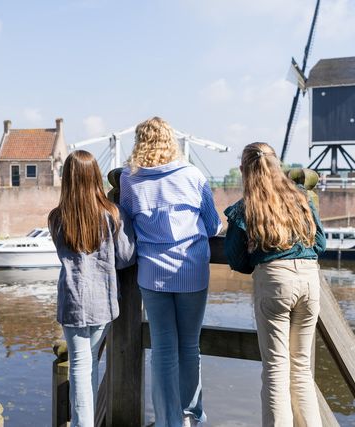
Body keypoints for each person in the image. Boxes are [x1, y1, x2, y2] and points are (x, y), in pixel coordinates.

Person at [119, 117, 221, 427]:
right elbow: (214, 224)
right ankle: (190, 414)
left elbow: (126, 222)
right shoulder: (192, 175)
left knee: (163, 348)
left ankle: (167, 421)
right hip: (192, 271)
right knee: (189, 345)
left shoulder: (128, 179)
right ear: (170, 141)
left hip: (152, 275)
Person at [224, 142, 326, 427]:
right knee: (302, 369)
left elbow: (236, 259)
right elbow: (321, 244)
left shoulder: (246, 208)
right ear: (277, 165)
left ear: (245, 171)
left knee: (276, 369)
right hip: (308, 279)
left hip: (274, 281)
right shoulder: (301, 197)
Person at [48, 150, 136, 427]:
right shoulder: (111, 213)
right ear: (95, 177)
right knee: (91, 365)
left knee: (78, 366)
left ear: (67, 180)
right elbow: (125, 257)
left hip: (72, 301)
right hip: (103, 301)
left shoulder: (56, 217)